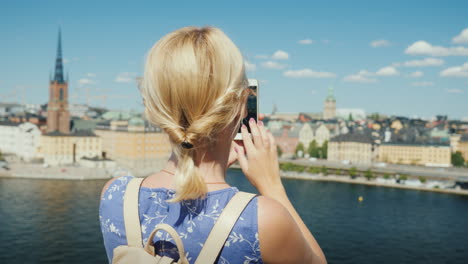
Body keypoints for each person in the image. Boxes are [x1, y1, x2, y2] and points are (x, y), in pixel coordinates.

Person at [99, 26, 326, 264]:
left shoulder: (115, 194)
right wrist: (272, 187)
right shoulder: (263, 220)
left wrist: (212, 167)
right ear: (241, 105)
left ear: (153, 107)